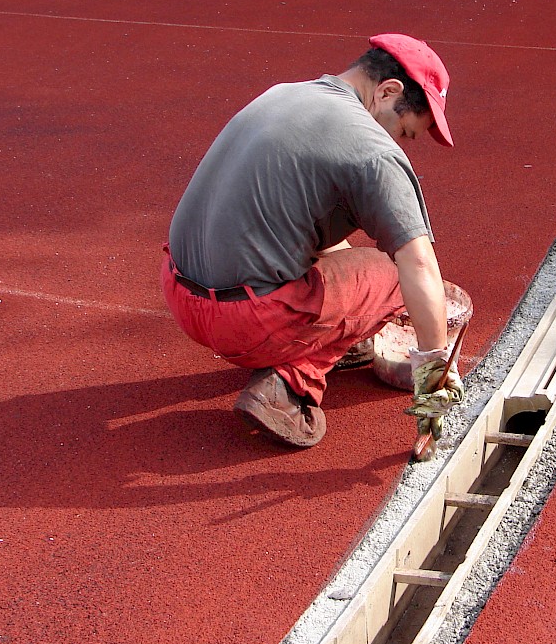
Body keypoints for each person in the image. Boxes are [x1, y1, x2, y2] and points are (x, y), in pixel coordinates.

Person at [161, 33, 464, 451]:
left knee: (342, 256)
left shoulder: (283, 94)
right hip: (244, 322)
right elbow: (419, 264)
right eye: (405, 131)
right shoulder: (372, 150)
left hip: (178, 290)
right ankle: (290, 382)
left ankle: (333, 335)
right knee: (394, 275)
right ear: (388, 91)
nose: (398, 142)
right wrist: (433, 375)